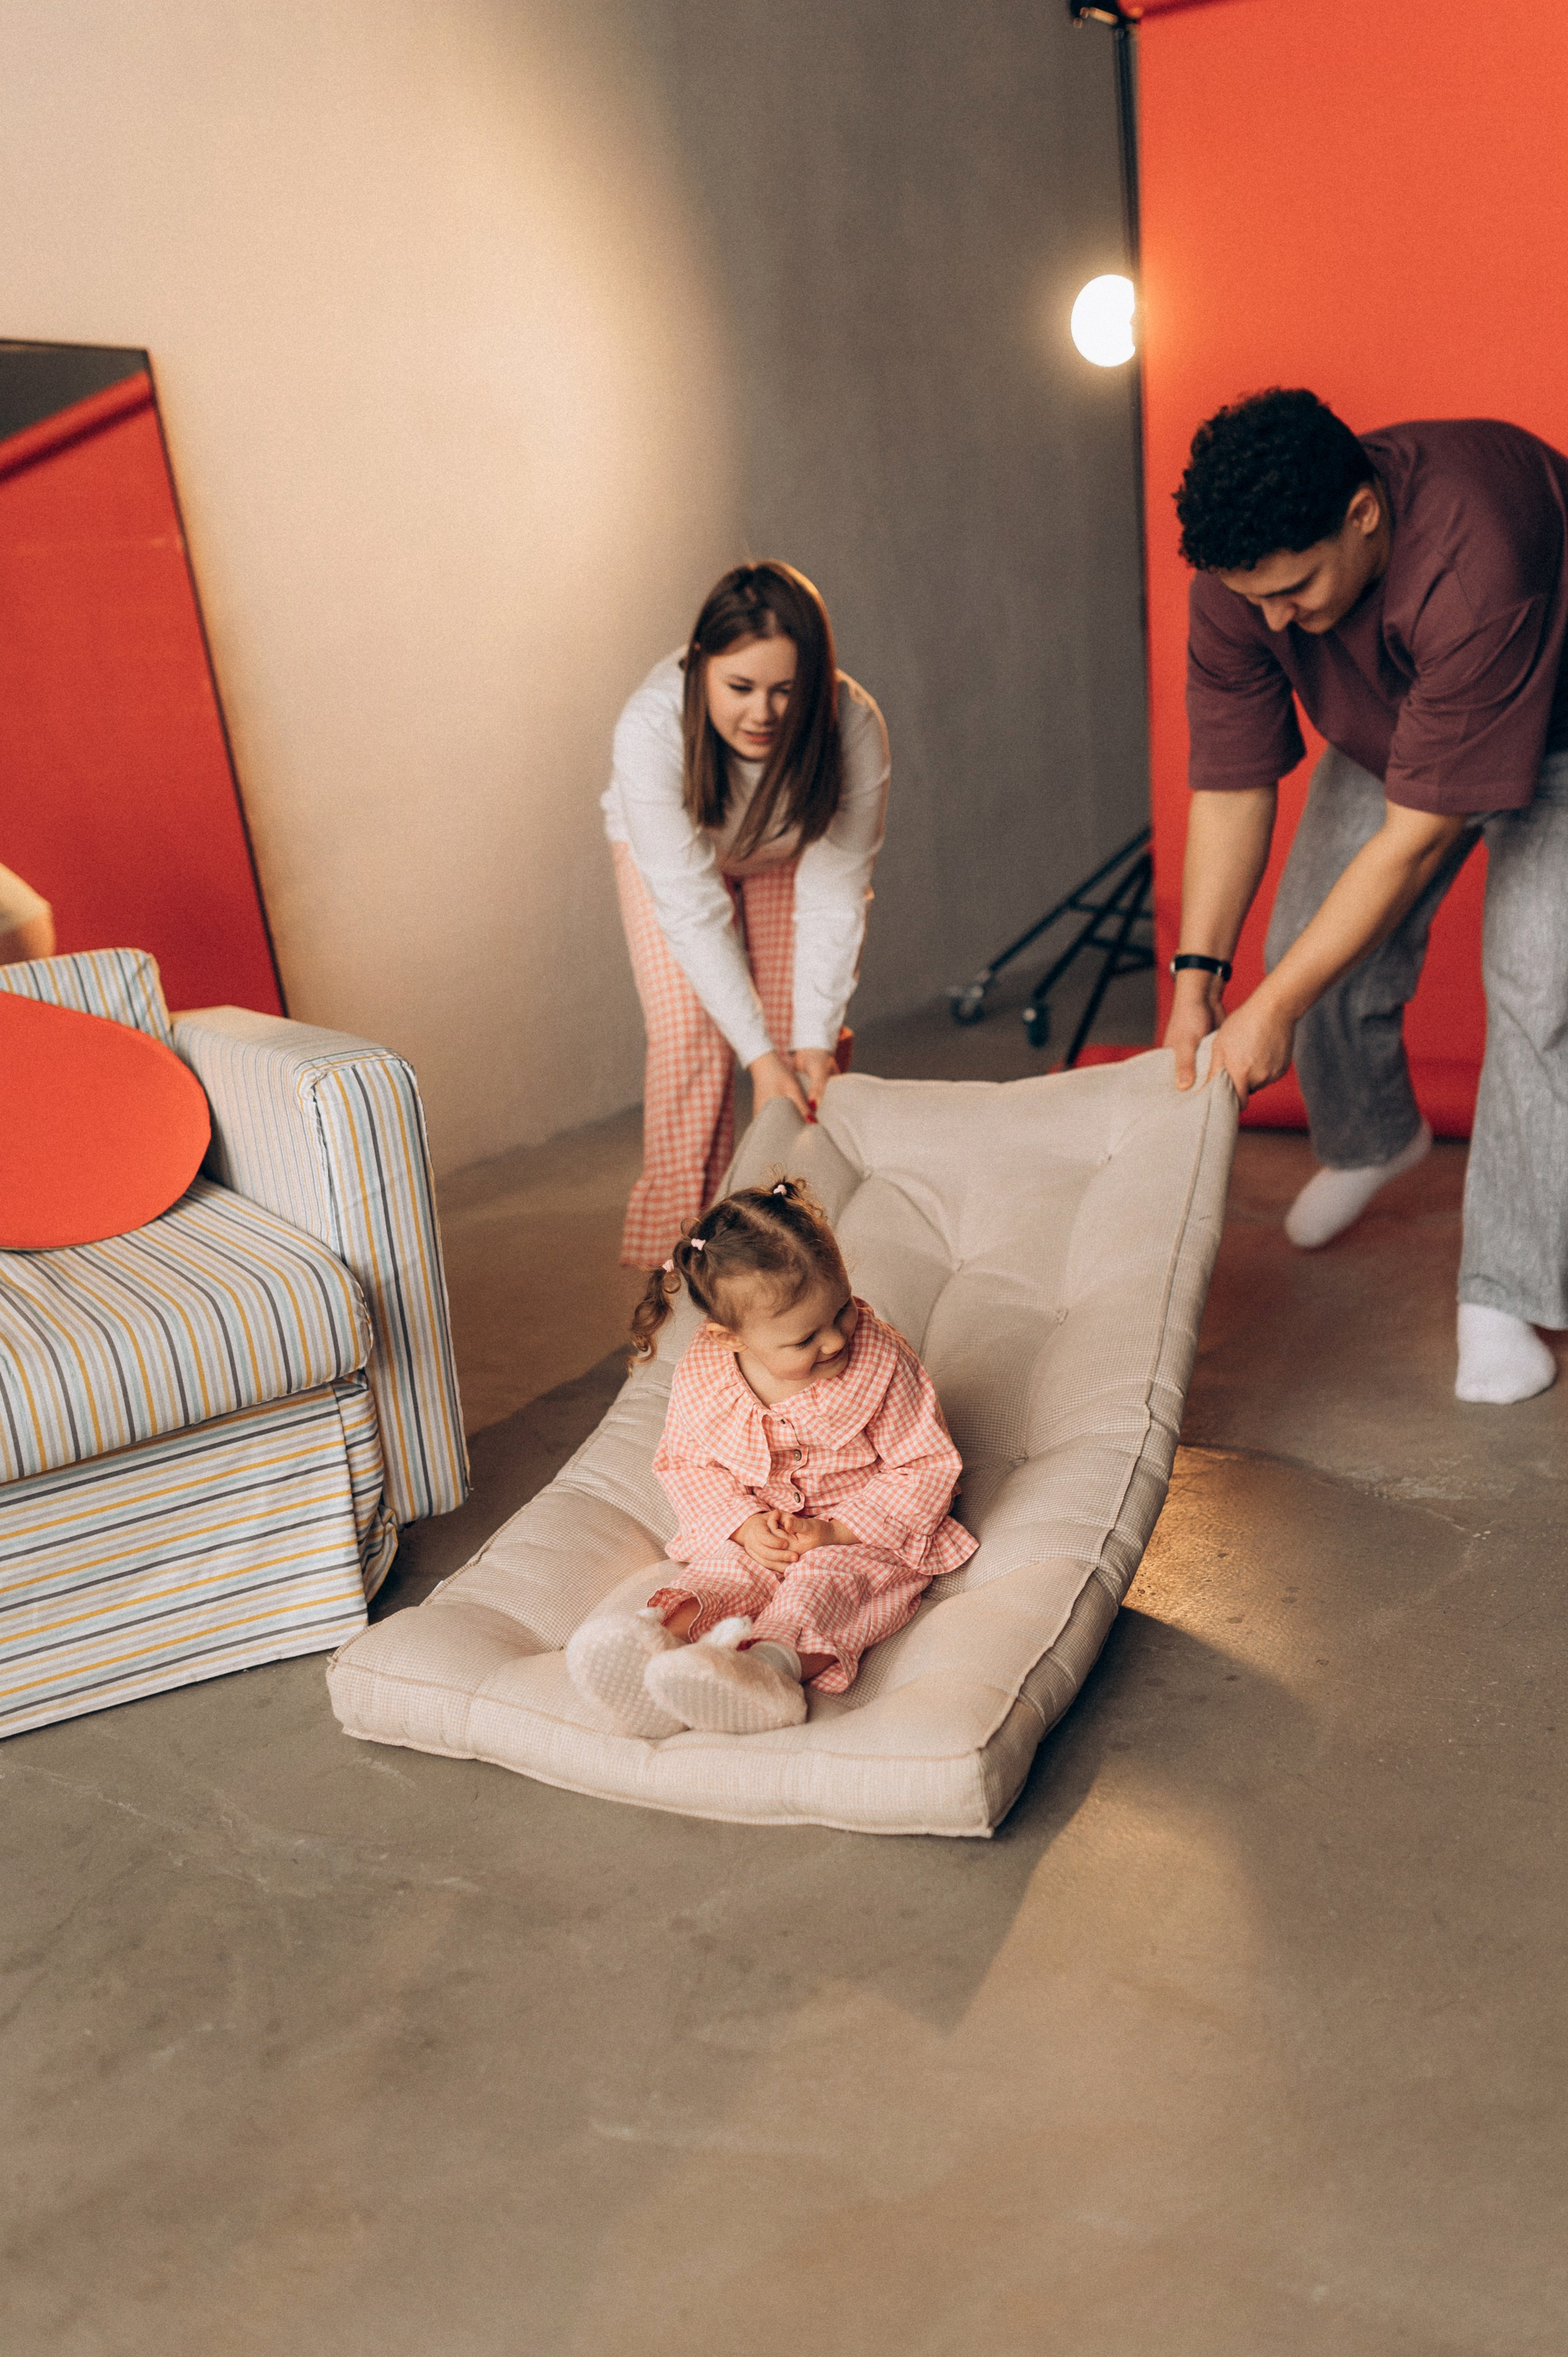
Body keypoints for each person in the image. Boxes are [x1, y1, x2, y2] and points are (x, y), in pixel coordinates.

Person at [1166, 388, 1568, 1406]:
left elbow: (1418, 836)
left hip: (1560, 724)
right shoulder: (1241, 570)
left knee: (1539, 992)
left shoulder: (1480, 562)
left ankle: (1505, 1292)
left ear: (1363, 513)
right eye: (1251, 598)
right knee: (1307, 942)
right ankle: (1378, 1136)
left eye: (1295, 591)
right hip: (1406, 713)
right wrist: (1199, 978)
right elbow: (1230, 778)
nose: (1272, 620)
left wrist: (1275, 1008)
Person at [565, 1176, 975, 1737]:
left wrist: (835, 1532)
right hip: (762, 1528)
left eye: (842, 1311)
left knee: (824, 1590)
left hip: (856, 1535)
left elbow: (927, 1465)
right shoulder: (707, 1372)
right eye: (805, 1339)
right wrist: (743, 1524)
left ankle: (767, 1675)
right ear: (731, 1339)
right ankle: (657, 1648)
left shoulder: (880, 1362)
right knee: (722, 1577)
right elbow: (686, 1462)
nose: (835, 1341)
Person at [603, 560, 889, 1269]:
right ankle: (678, 1258)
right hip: (678, 863)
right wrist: (755, 1055)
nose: (762, 713)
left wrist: (805, 1046)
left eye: (786, 691)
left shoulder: (853, 727)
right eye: (740, 688)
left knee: (804, 1053)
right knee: (687, 1032)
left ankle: (789, 1245)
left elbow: (833, 899)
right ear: (698, 666)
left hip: (785, 853)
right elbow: (692, 909)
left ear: (818, 682)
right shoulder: (651, 725)